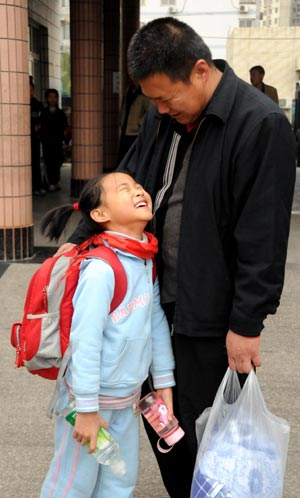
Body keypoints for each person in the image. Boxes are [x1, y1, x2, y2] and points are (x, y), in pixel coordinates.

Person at [57, 18, 296, 497]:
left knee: (204, 426)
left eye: (167, 97)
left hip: (208, 313)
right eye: (154, 101)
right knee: (159, 418)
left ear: (201, 71)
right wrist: (82, 234)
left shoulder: (260, 124)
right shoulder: (162, 118)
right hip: (149, 302)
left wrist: (248, 323)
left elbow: (263, 235)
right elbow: (129, 172)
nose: (161, 109)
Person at [38, 171, 175, 498]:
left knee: (120, 481)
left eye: (139, 186)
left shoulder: (144, 259)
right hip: (88, 403)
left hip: (126, 399)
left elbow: (155, 321)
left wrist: (164, 383)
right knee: (72, 483)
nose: (139, 191)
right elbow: (85, 342)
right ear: (100, 215)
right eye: (124, 189)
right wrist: (85, 409)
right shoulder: (101, 268)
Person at [41, 88, 68, 191]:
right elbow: (41, 127)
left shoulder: (61, 114)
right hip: (47, 142)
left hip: (57, 142)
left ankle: (55, 182)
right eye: (50, 97)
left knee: (57, 162)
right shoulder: (43, 113)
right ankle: (50, 182)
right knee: (48, 162)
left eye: (54, 97)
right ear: (47, 99)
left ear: (57, 99)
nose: (52, 99)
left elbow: (66, 128)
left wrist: (65, 142)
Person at [117, 83, 152, 163]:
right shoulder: (128, 91)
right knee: (123, 156)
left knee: (133, 156)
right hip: (125, 128)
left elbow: (150, 110)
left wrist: (140, 123)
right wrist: (121, 120)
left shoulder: (143, 93)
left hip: (136, 131)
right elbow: (124, 107)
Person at [29, 77, 45, 196]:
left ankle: (37, 186)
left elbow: (43, 121)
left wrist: (39, 126)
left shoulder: (37, 105)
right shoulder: (17, 104)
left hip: (34, 139)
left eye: (30, 90)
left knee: (35, 163)